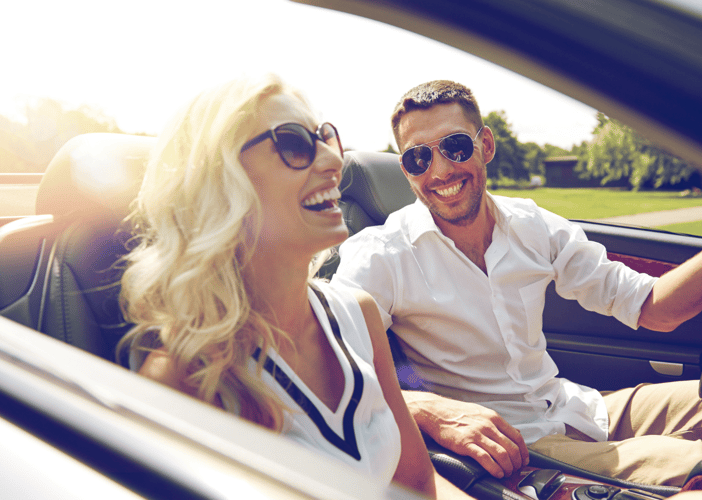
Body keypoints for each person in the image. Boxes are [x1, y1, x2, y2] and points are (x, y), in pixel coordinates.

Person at [332, 80, 702, 486]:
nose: (439, 170)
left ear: (484, 145)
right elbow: (332, 369)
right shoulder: (380, 254)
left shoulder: (533, 226)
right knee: (698, 474)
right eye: (419, 158)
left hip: (579, 407)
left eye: (454, 147)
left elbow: (654, 307)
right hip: (517, 446)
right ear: (407, 170)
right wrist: (430, 409)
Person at [117, 75, 470, 499]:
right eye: (294, 143)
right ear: (221, 180)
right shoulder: (186, 378)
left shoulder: (358, 314)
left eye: (325, 137)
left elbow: (418, 485)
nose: (333, 161)